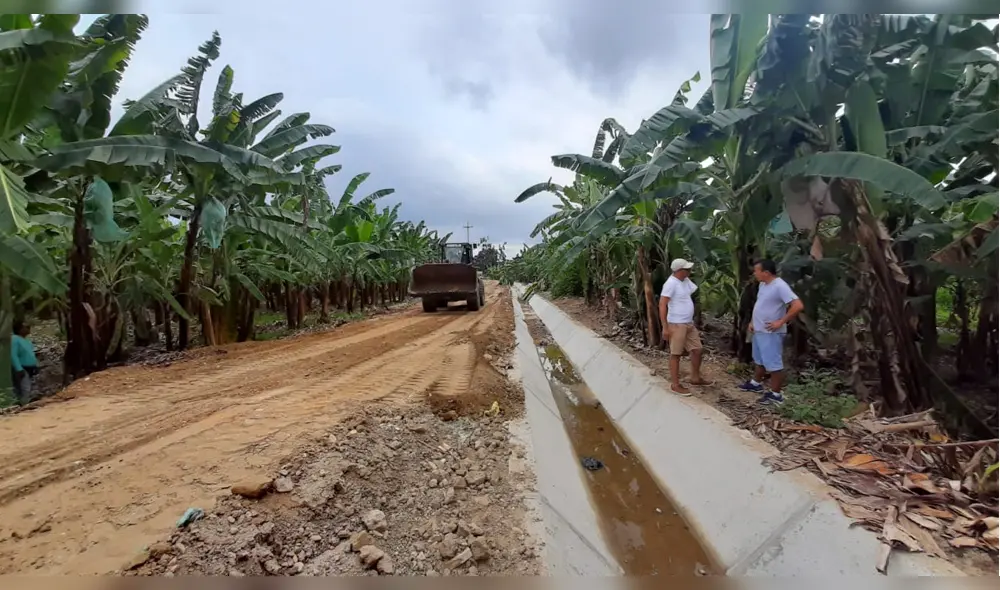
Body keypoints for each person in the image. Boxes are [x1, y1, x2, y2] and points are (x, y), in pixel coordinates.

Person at [738, 259, 804, 405]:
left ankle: (776, 394)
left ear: (766, 273)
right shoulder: (763, 284)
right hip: (759, 329)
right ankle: (756, 383)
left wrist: (781, 321)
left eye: (757, 271)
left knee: (774, 364)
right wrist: (753, 321)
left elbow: (798, 305)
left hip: (771, 332)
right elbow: (761, 304)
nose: (754, 273)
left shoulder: (780, 286)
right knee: (759, 359)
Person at [659, 258, 711, 396]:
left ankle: (695, 377)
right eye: (687, 269)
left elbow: (690, 293)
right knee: (676, 354)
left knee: (697, 350)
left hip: (688, 323)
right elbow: (662, 304)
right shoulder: (670, 284)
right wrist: (665, 326)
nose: (689, 271)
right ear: (679, 271)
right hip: (676, 324)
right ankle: (675, 384)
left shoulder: (685, 281)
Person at [10, 320, 40, 405]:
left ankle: (23, 403)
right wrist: (19, 369)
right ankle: (23, 405)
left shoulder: (27, 340)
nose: (28, 328)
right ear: (19, 329)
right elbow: (13, 355)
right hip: (22, 368)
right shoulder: (14, 339)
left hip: (30, 367)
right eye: (26, 327)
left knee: (28, 388)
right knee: (25, 388)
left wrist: (36, 365)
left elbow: (31, 353)